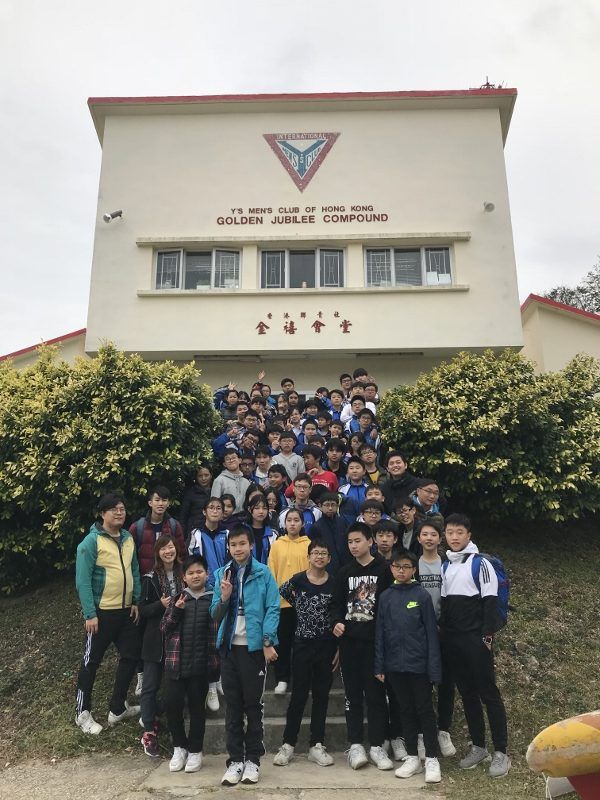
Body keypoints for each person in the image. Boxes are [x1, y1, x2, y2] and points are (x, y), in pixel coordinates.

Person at [441, 514, 511, 778]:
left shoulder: (481, 564)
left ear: (468, 535)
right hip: (454, 640)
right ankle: (479, 747)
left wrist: (486, 638)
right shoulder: (446, 565)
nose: (455, 537)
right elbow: (446, 606)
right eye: (450, 532)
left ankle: (501, 751)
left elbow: (490, 603)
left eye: (460, 532)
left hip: (476, 639)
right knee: (467, 693)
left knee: (488, 693)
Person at [210, 525, 280, 786]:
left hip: (253, 650)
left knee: (253, 705)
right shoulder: (221, 574)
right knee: (233, 706)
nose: (238, 549)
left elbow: (272, 608)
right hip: (229, 649)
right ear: (228, 547)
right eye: (233, 544)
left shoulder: (263, 573)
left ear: (251, 545)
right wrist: (224, 597)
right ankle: (235, 761)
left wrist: (267, 640)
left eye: (242, 543)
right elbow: (214, 614)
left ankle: (253, 760)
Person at [75, 492, 141, 734]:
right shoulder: (91, 542)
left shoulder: (128, 538)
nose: (119, 513)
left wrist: (135, 600)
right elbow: (82, 581)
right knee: (90, 662)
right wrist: (89, 614)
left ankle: (117, 707)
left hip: (126, 611)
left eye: (122, 509)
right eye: (114, 509)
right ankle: (82, 713)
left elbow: (134, 569)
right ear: (103, 513)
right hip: (101, 614)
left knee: (131, 656)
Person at [330, 522, 393, 771]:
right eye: (350, 542)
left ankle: (377, 745)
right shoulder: (344, 572)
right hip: (349, 644)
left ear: (370, 541)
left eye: (358, 541)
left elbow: (390, 604)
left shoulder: (385, 570)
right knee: (352, 695)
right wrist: (336, 622)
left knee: (376, 696)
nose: (353, 546)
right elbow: (335, 604)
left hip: (375, 644)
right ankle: (355, 744)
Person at [375, 550, 442, 784]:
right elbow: (380, 633)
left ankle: (431, 758)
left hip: (419, 666)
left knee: (424, 711)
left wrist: (434, 669)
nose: (401, 570)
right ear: (391, 569)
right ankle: (412, 757)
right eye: (397, 566)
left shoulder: (421, 595)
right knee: (405, 711)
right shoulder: (386, 596)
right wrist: (379, 665)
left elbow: (432, 634)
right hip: (394, 666)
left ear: (414, 570)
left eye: (406, 566)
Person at [273, 539, 337, 767]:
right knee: (298, 695)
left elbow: (337, 611)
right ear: (308, 557)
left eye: (323, 553)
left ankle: (316, 745)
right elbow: (283, 591)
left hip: (326, 645)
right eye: (315, 553)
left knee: (321, 695)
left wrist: (338, 647)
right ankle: (288, 744)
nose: (319, 557)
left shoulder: (334, 583)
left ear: (329, 558)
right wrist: (300, 606)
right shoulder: (299, 579)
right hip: (302, 645)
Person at [160, 555, 219, 773]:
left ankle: (195, 751)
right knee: (173, 707)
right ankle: (179, 748)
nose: (195, 576)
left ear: (207, 574)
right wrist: (176, 610)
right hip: (176, 665)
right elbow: (164, 628)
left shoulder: (214, 599)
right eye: (191, 573)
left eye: (199, 572)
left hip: (201, 666)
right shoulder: (178, 598)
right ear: (184, 577)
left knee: (197, 711)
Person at [139, 535, 184, 757]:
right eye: (164, 548)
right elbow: (142, 610)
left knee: (177, 687)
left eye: (171, 547)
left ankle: (155, 715)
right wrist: (161, 605)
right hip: (155, 641)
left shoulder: (184, 574)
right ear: (157, 552)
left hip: (179, 639)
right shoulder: (150, 578)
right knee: (150, 686)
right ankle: (149, 730)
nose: (168, 551)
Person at [417, 520, 456, 759]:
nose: (429, 538)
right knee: (422, 684)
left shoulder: (447, 565)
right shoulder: (413, 564)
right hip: (420, 633)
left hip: (444, 631)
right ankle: (424, 733)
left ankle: (443, 730)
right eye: (425, 534)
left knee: (447, 683)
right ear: (419, 538)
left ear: (440, 539)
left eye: (433, 534)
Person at [268, 508, 311, 694]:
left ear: (302, 523)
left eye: (296, 520)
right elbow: (272, 571)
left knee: (303, 645)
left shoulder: (309, 544)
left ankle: (303, 679)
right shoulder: (277, 545)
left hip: (304, 603)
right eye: (289, 520)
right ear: (284, 524)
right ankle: (282, 679)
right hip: (282, 603)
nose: (293, 524)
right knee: (283, 643)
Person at [130, 486, 186, 576]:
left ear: (168, 503)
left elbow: (182, 554)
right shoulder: (137, 527)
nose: (161, 503)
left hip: (170, 577)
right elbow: (131, 558)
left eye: (164, 500)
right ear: (150, 503)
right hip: (145, 578)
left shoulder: (174, 525)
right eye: (157, 500)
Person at [310, 491, 351, 574]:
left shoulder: (343, 522)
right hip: (327, 567)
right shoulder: (316, 527)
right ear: (320, 506)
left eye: (333, 505)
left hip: (346, 565)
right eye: (327, 505)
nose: (330, 508)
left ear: (337, 506)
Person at [180, 465, 213, 540]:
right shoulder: (190, 493)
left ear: (211, 476)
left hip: (212, 530)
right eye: (200, 476)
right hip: (194, 532)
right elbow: (183, 516)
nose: (203, 478)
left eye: (206, 475)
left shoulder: (216, 491)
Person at [245, 495, 278, 565]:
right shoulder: (243, 531)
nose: (261, 511)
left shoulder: (272, 534)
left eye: (264, 508)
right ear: (249, 509)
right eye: (257, 508)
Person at [338, 457, 368, 526]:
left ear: (364, 471)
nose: (354, 471)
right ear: (347, 472)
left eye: (357, 468)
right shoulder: (342, 489)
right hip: (347, 526)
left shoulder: (369, 489)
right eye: (351, 468)